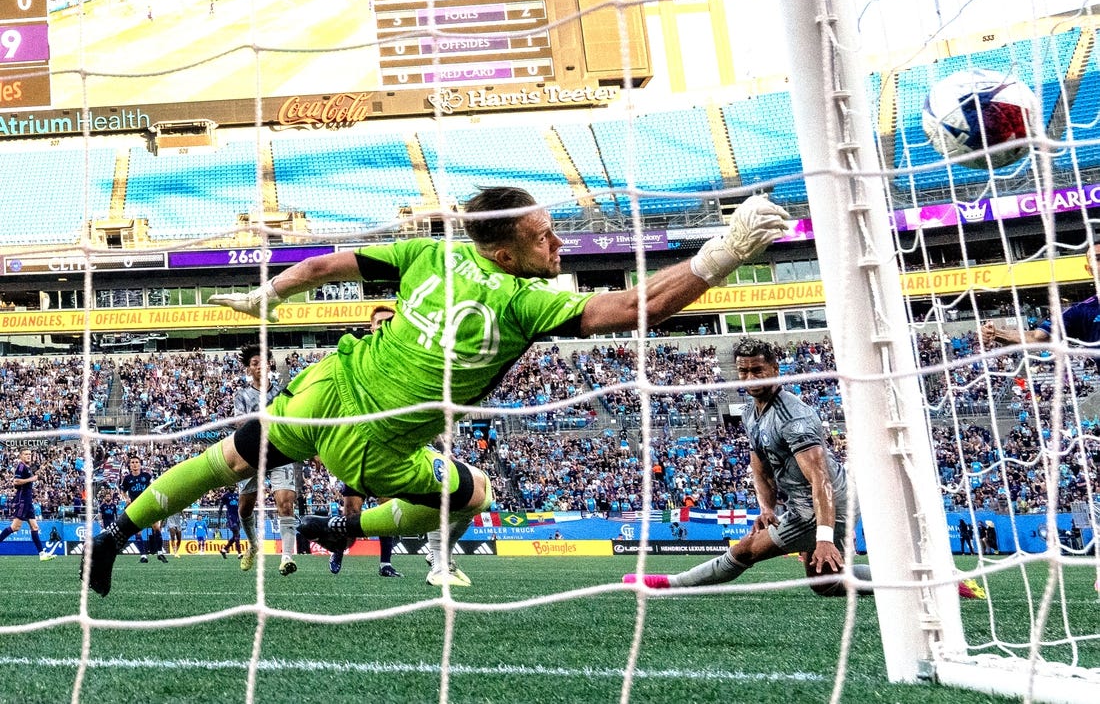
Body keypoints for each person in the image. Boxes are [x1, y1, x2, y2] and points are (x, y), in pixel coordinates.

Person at [83, 187, 789, 597]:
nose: (560, 246)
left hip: (327, 385)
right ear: (506, 253)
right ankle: (350, 529)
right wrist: (722, 254)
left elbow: (324, 265)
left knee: (228, 459)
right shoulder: (524, 301)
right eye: (546, 238)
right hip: (374, 444)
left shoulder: (432, 252)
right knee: (474, 492)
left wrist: (266, 296)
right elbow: (638, 307)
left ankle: (114, 534)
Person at [624, 338, 872, 596]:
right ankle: (893, 576)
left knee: (746, 549)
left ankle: (671, 584)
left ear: (775, 369)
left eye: (757, 370)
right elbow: (760, 467)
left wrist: (824, 537)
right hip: (807, 504)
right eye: (743, 371)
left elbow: (821, 479)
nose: (749, 378)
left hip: (827, 505)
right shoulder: (751, 413)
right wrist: (767, 509)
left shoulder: (793, 417)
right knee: (826, 583)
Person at [327, 305, 405, 579]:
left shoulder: (402, 360)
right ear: (370, 327)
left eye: (388, 322)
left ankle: (385, 564)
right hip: (359, 449)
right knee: (351, 515)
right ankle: (339, 549)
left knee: (386, 510)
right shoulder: (360, 356)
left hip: (386, 449)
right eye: (378, 323)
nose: (383, 326)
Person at [232, 344, 300, 576]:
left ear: (270, 365)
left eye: (263, 362)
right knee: (245, 508)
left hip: (280, 451)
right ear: (248, 369)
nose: (260, 366)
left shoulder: (282, 393)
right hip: (252, 453)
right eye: (254, 363)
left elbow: (292, 421)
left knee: (286, 503)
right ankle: (253, 545)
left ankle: (287, 557)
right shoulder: (242, 396)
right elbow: (241, 425)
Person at [981, 242, 1100, 348]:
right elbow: (1038, 337)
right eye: (1098, 258)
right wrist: (996, 334)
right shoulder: (1081, 311)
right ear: (1089, 269)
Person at [0, 448, 53, 560]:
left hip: (28, 501)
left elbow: (25, 480)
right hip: (23, 500)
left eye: (29, 454)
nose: (28, 456)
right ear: (21, 456)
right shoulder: (21, 466)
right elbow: (16, 481)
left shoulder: (27, 467)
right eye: (26, 454)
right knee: (15, 527)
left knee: (34, 527)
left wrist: (36, 475)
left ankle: (42, 554)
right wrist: (32, 479)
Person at [120, 457, 167, 564]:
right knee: (138, 532)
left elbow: (155, 486)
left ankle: (160, 553)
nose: (134, 464)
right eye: (132, 462)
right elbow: (122, 490)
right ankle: (143, 556)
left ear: (140, 464)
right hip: (136, 507)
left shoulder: (146, 476)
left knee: (156, 527)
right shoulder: (127, 478)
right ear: (130, 465)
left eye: (136, 462)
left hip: (148, 505)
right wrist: (126, 498)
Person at [217, 487, 244, 561]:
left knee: (236, 535)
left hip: (237, 517)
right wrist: (219, 520)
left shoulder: (237, 495)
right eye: (231, 486)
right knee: (237, 533)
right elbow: (221, 507)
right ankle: (239, 553)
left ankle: (224, 549)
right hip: (230, 517)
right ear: (228, 487)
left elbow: (241, 505)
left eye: (233, 486)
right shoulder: (225, 496)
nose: (232, 487)